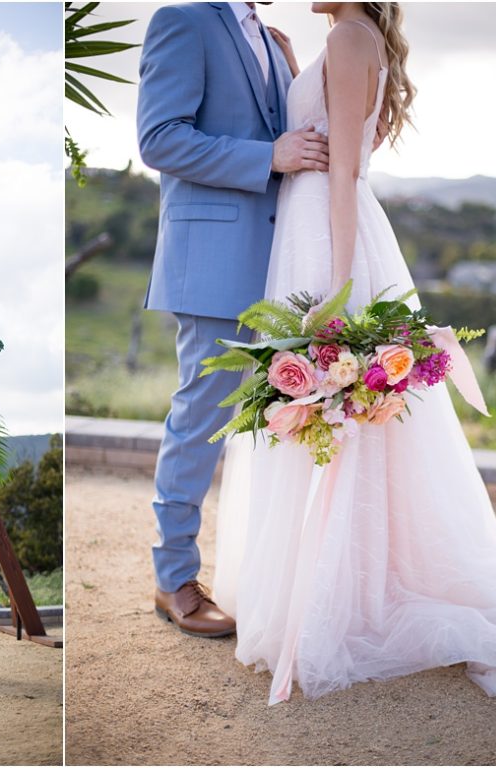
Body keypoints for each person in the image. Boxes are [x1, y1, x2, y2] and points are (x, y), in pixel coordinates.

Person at [212, 1, 496, 704]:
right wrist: (294, 68)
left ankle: (346, 604)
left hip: (328, 235)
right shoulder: (337, 40)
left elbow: (344, 170)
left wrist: (338, 291)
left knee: (344, 418)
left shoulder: (350, 37)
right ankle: (335, 590)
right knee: (333, 424)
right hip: (308, 227)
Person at [137, 1, 329, 638]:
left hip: (283, 260)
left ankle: (281, 577)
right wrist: (267, 157)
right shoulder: (182, 21)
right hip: (215, 260)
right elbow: (159, 138)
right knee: (201, 418)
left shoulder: (274, 41)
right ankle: (174, 580)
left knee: (288, 421)